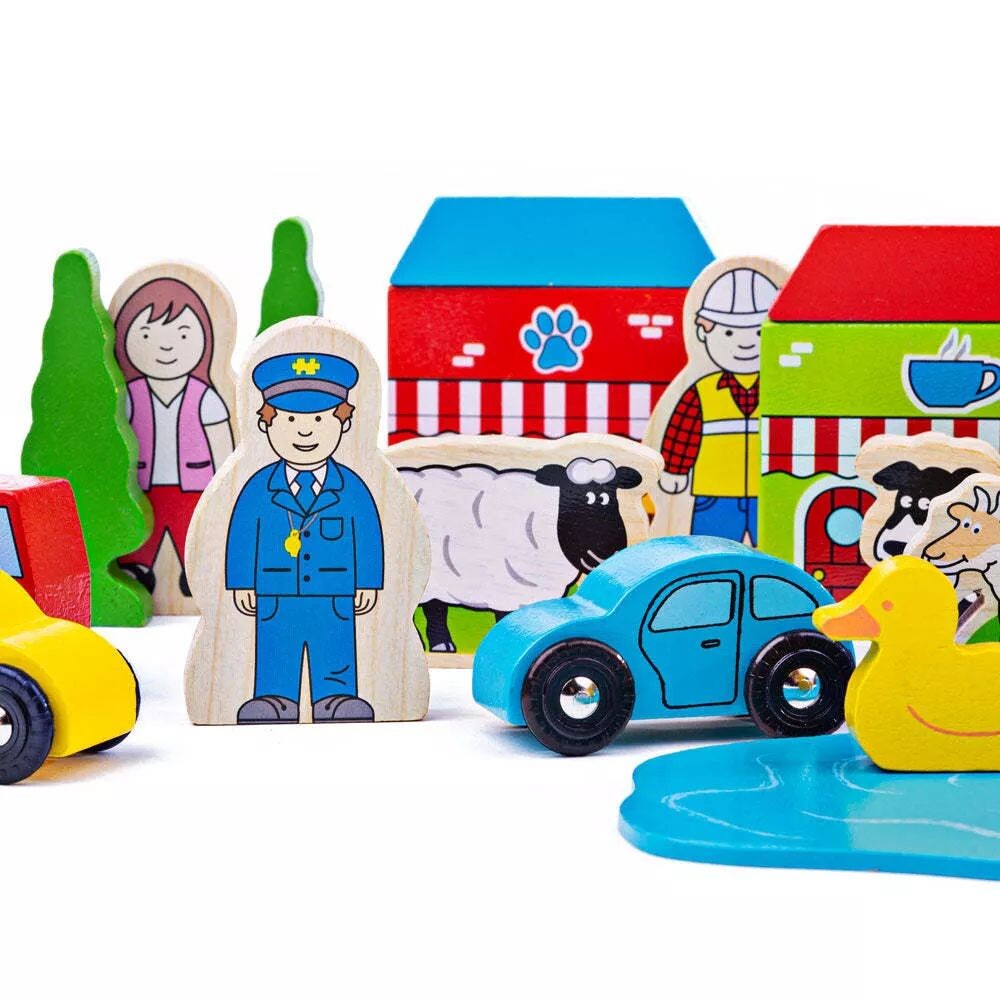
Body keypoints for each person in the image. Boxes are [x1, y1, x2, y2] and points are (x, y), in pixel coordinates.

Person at [225, 352, 383, 724]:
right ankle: (274, 697)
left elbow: (368, 533)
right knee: (276, 643)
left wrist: (369, 581)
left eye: (319, 419)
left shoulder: (352, 487)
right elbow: (241, 533)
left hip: (334, 591)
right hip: (275, 590)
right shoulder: (257, 487)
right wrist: (241, 582)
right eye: (290, 419)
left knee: (335, 642)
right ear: (266, 423)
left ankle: (336, 697)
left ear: (343, 422)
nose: (305, 431)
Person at [114, 278, 233, 596]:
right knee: (144, 531)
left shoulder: (206, 397)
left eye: (182, 335)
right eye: (147, 336)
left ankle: (194, 570)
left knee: (190, 529)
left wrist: (226, 484)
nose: (165, 347)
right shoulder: (128, 397)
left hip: (195, 485)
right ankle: (138, 568)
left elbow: (222, 443)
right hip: (142, 485)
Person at [658, 266, 779, 545]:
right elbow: (682, 433)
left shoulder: (781, 392)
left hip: (769, 491)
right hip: (715, 494)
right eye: (729, 333)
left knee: (775, 552)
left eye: (758, 333)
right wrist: (675, 470)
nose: (746, 344)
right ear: (704, 333)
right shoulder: (702, 391)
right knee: (709, 553)